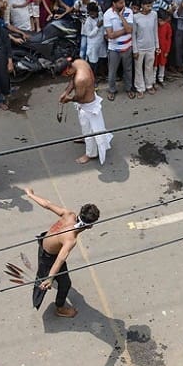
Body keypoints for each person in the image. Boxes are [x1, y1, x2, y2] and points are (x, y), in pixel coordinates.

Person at [23, 187, 100, 317]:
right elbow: (60, 259)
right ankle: (60, 308)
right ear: (91, 225)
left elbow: (47, 204)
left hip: (43, 242)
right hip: (49, 256)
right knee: (65, 283)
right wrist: (50, 278)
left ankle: (52, 279)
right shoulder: (71, 238)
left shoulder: (69, 214)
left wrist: (31, 195)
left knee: (55, 274)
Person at [57, 58, 112, 165]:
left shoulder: (81, 79)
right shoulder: (78, 63)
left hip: (88, 106)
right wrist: (66, 92)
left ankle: (90, 154)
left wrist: (69, 99)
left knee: (89, 131)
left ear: (67, 70)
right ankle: (85, 139)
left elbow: (79, 98)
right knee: (87, 129)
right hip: (89, 100)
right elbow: (72, 79)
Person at [104, 0, 135, 101]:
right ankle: (112, 90)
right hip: (114, 49)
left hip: (127, 47)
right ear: (114, 3)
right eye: (120, 3)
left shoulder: (129, 12)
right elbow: (110, 35)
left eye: (124, 2)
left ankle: (129, 88)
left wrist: (121, 17)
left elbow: (130, 30)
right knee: (112, 71)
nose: (123, 5)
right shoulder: (107, 14)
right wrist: (125, 30)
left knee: (128, 70)